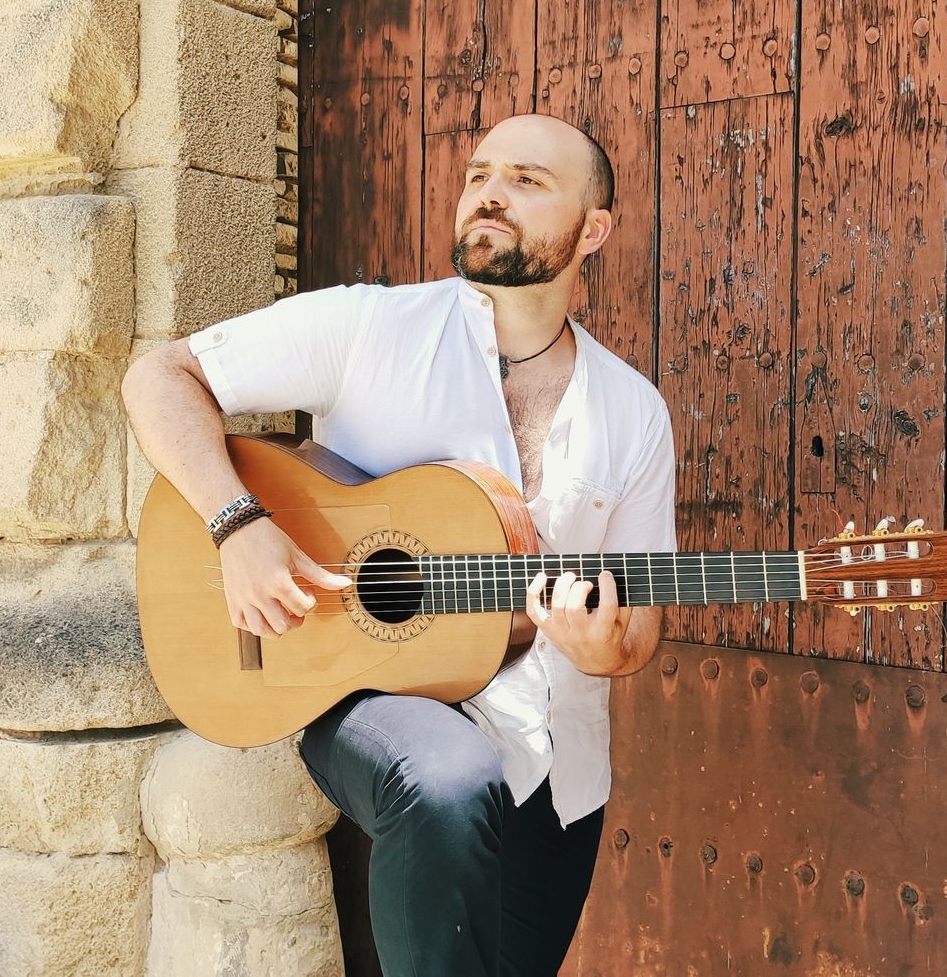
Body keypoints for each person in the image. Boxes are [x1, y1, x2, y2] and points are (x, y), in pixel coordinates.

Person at [122, 113, 674, 976]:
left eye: (528, 180)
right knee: (447, 779)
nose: (489, 193)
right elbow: (161, 377)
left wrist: (605, 648)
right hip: (364, 694)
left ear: (593, 229)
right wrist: (237, 524)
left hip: (554, 761)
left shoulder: (634, 411)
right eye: (479, 174)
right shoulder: (370, 329)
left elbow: (637, 630)